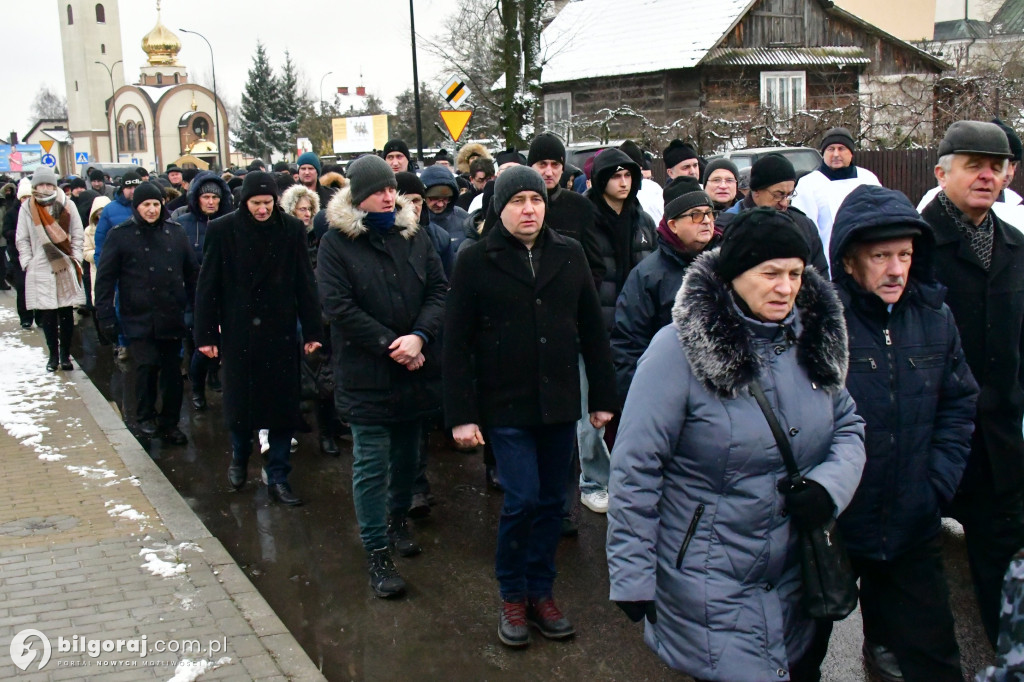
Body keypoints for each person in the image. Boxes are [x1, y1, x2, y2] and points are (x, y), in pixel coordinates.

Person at [606, 207, 866, 682]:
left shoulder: (810, 339)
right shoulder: (675, 351)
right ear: (733, 275)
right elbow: (636, 469)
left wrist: (827, 487)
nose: (785, 288)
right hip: (708, 582)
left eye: (794, 273)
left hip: (796, 579)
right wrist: (632, 576)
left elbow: (849, 425)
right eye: (770, 273)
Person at [444, 165, 617, 648]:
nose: (529, 209)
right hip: (505, 404)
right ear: (500, 206)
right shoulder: (476, 259)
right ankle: (512, 597)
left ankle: (542, 593)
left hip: (559, 402)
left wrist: (602, 398)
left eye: (536, 200)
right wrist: (461, 414)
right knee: (520, 499)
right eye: (518, 200)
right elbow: (456, 342)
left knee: (550, 503)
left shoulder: (569, 253)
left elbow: (592, 329)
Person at [830, 184, 978, 682]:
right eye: (880, 256)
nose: (896, 269)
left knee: (934, 662)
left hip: (913, 519)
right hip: (837, 524)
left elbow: (959, 403)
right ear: (849, 261)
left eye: (905, 255)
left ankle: (886, 642)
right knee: (791, 655)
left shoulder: (935, 318)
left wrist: (937, 483)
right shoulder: (820, 325)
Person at [318, 155, 446, 597]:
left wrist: (421, 336)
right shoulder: (337, 243)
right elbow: (338, 307)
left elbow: (438, 290)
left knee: (409, 457)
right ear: (358, 196)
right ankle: (376, 551)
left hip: (415, 368)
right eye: (377, 190)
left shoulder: (417, 235)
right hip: (366, 373)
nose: (388, 196)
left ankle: (396, 523)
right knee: (372, 464)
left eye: (391, 188)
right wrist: (394, 344)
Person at [919, 120, 1024, 649]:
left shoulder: (1015, 246)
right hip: (929, 431)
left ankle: (1009, 652)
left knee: (1001, 552)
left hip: (999, 431)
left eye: (996, 165)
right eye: (973, 165)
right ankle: (892, 643)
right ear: (942, 172)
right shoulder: (913, 247)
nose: (987, 175)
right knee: (911, 556)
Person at [193, 171, 323, 506]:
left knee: (282, 408)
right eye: (256, 204)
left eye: (267, 203)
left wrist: (312, 330)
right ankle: (239, 456)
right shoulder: (222, 230)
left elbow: (305, 284)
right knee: (241, 404)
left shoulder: (291, 230)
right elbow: (207, 285)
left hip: (279, 331)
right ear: (244, 202)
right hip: (239, 331)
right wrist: (206, 333)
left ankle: (279, 476)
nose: (262, 209)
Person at [579, 147, 655, 513]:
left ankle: (631, 477)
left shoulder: (643, 221)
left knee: (635, 406)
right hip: (596, 325)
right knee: (593, 409)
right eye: (616, 176)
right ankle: (593, 479)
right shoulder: (585, 219)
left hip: (636, 326)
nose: (623, 183)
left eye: (629, 176)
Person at [94, 182, 198, 445]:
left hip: (171, 312)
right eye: (146, 205)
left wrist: (197, 307)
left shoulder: (175, 233)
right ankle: (145, 417)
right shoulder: (121, 235)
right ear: (136, 207)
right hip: (138, 314)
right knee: (147, 366)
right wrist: (105, 315)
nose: (152, 210)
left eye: (155, 204)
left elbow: (192, 273)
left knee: (173, 372)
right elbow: (105, 279)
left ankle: (170, 422)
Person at [611, 177, 719, 400]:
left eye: (709, 213)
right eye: (695, 215)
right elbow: (628, 346)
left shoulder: (727, 265)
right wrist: (641, 400)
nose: (706, 221)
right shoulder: (648, 276)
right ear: (673, 225)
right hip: (669, 393)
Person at [280, 183, 338, 458]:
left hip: (320, 315)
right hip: (291, 316)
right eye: (300, 209)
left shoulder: (322, 239)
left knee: (323, 377)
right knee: (295, 375)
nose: (305, 214)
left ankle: (328, 432)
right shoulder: (285, 239)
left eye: (309, 209)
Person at [16, 167, 86, 371]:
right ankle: (52, 356)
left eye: (49, 184)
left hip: (65, 265)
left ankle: (65, 355)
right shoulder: (28, 208)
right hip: (40, 267)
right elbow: (22, 239)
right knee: (47, 314)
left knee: (66, 313)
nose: (45, 188)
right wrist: (28, 262)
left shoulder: (67, 205)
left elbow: (78, 235)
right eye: (40, 185)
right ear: (34, 186)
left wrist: (76, 259)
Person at [176, 171, 233, 412]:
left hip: (224, 293)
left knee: (222, 344)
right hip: (193, 295)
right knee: (200, 347)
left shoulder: (229, 221)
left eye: (215, 197)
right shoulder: (184, 224)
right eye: (206, 197)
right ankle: (197, 387)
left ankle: (215, 378)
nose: (210, 201)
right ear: (197, 199)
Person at [723, 154, 829, 273]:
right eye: (778, 195)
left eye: (789, 195)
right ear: (756, 190)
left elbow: (821, 277)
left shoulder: (804, 225)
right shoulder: (729, 225)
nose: (784, 203)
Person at [792, 127, 881, 256]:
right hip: (828, 259)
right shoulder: (809, 184)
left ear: (851, 153)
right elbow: (805, 229)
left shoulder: (868, 179)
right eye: (831, 149)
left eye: (841, 148)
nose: (835, 154)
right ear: (823, 153)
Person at [421, 163, 474, 254]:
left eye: (446, 198)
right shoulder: (413, 222)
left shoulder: (465, 219)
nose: (440, 204)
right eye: (434, 198)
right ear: (423, 196)